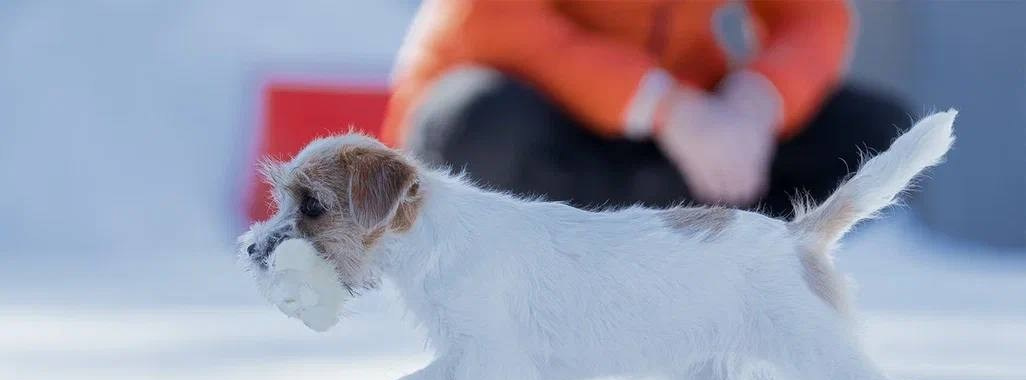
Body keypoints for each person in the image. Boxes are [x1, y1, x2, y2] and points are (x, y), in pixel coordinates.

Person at [381, 0, 909, 217]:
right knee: (481, 119)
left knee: (871, 135)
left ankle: (719, 285)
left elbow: (812, 17)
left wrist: (756, 102)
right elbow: (490, 21)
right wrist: (665, 106)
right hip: (536, 128)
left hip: (670, 147)